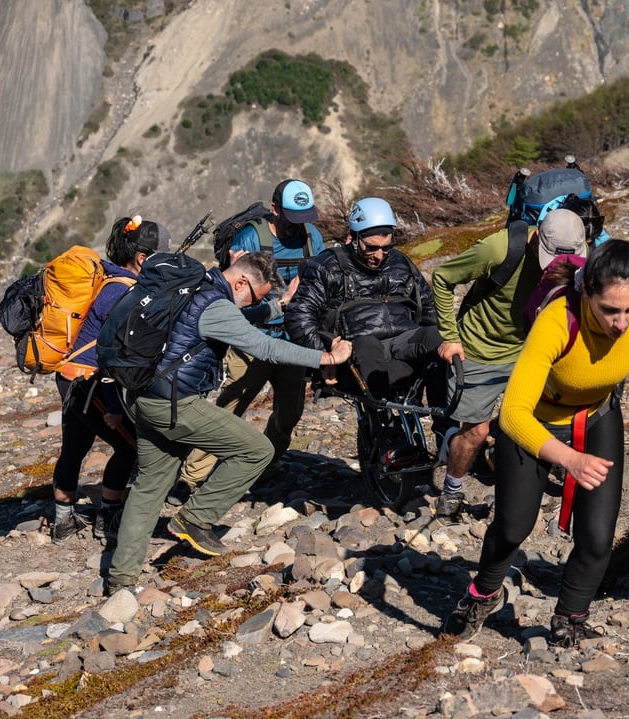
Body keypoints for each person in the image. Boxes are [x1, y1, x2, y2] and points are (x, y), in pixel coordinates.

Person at [444, 239, 629, 645]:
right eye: (610, 311)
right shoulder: (556, 322)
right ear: (587, 293)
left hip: (596, 418)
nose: (622, 323)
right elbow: (512, 415)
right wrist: (570, 459)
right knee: (513, 527)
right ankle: (481, 595)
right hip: (535, 425)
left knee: (598, 537)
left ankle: (570, 617)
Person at [107, 251, 354, 594]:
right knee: (256, 450)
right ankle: (194, 518)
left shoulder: (198, 288)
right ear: (240, 281)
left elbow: (241, 317)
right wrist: (326, 357)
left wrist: (277, 306)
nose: (251, 303)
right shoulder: (218, 307)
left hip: (141, 396)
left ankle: (121, 581)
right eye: (255, 295)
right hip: (175, 404)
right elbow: (263, 346)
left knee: (150, 486)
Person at [430, 208, 591, 523]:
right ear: (536, 241)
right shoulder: (500, 248)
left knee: (550, 414)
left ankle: (515, 459)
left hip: (531, 348)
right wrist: (450, 337)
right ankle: (452, 490)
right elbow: (442, 277)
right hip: (480, 349)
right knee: (475, 431)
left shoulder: (578, 258)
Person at [174, 179, 325, 502]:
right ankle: (190, 478)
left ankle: (266, 463)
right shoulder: (252, 237)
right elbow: (232, 293)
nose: (300, 226)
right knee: (229, 408)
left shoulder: (313, 237)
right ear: (275, 210)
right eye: (293, 218)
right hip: (251, 338)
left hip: (292, 340)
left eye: (305, 217)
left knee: (291, 411)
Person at [50, 216, 170, 544]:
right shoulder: (126, 293)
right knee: (129, 446)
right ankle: (109, 517)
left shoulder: (110, 279)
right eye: (162, 256)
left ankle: (62, 521)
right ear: (142, 259)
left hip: (70, 375)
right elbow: (113, 356)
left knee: (75, 446)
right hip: (92, 381)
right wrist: (116, 406)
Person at [285, 196, 443, 404]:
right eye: (371, 247)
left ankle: (446, 428)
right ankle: (381, 421)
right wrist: (325, 354)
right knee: (368, 345)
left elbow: (428, 306)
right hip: (356, 349)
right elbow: (299, 315)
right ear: (354, 237)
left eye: (386, 247)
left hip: (404, 341)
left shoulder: (401, 263)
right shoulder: (327, 266)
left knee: (438, 337)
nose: (379, 255)